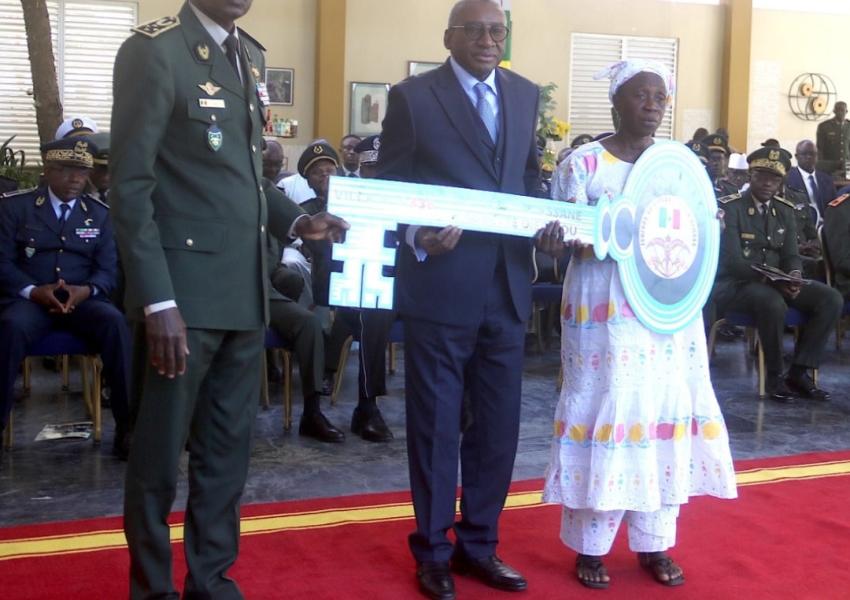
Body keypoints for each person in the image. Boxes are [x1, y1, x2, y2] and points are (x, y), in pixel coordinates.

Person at [109, 2, 347, 598]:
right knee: (159, 461)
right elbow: (131, 185)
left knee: (225, 459)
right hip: (182, 298)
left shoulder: (248, 52)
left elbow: (241, 169)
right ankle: (154, 588)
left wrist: (297, 223)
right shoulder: (155, 50)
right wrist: (157, 300)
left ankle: (212, 582)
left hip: (245, 294)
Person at [543, 60, 738, 590]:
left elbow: (697, 225)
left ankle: (655, 543)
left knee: (661, 413)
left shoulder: (678, 164)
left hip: (668, 313)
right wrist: (572, 236)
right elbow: (564, 230)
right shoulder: (583, 164)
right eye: (639, 95)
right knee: (608, 407)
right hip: (603, 309)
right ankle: (591, 547)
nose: (652, 104)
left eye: (660, 96)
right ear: (615, 101)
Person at [377, 1, 542, 597]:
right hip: (441, 287)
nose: (487, 39)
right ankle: (433, 551)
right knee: (436, 428)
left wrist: (544, 223)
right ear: (449, 36)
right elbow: (390, 183)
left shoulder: (524, 95)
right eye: (474, 30)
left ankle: (480, 546)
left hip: (507, 290)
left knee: (497, 431)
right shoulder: (414, 97)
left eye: (497, 30)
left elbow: (528, 182)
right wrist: (417, 235)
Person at [0, 137, 131, 458]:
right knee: (9, 328)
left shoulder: (100, 214)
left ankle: (129, 429)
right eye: (67, 171)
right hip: (31, 300)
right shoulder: (15, 207)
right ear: (47, 170)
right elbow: (2, 261)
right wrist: (33, 290)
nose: (76, 179)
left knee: (115, 324)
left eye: (82, 172)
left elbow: (108, 269)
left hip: (82, 300)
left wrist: (85, 290)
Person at [713, 147, 842, 402]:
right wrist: (774, 281)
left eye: (774, 178)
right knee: (772, 302)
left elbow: (791, 255)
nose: (767, 183)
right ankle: (774, 376)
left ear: (781, 181)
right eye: (761, 176)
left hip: (778, 282)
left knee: (831, 298)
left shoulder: (785, 210)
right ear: (751, 175)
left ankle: (800, 371)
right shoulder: (732, 207)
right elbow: (734, 262)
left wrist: (793, 274)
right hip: (738, 284)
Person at [323, 134, 397, 443]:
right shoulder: (345, 203)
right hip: (363, 291)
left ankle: (458, 403)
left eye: (381, 169)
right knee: (372, 314)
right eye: (370, 170)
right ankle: (367, 407)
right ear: (360, 171)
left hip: (406, 288)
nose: (376, 176)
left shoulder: (403, 197)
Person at [787, 140, 836, 223]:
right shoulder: (788, 179)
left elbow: (834, 205)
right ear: (796, 156)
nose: (809, 157)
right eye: (804, 154)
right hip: (801, 227)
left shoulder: (826, 179)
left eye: (812, 154)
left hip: (828, 226)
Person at [816, 101, 849, 176]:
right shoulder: (824, 126)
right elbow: (820, 148)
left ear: (846, 111)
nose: (840, 112)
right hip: (830, 167)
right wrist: (821, 167)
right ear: (834, 111)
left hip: (846, 167)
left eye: (842, 110)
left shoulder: (849, 126)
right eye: (838, 110)